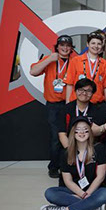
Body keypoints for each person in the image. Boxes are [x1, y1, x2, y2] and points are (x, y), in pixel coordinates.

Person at [41, 116, 106, 210]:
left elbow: (100, 177)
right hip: (73, 191)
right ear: (73, 133)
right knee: (50, 193)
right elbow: (68, 181)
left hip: (94, 189)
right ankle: (94, 206)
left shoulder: (99, 149)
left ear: (90, 132)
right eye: (78, 130)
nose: (81, 133)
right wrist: (82, 194)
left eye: (85, 130)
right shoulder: (66, 153)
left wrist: (87, 193)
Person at [30, 34, 77, 178]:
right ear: (57, 47)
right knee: (56, 137)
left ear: (71, 48)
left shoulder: (75, 61)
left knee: (72, 136)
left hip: (69, 103)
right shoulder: (49, 59)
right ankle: (54, 167)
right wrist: (50, 59)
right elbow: (33, 71)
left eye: (67, 46)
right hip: (53, 105)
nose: (64, 48)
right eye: (62, 45)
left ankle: (69, 166)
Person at [57, 79, 106, 150]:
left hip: (91, 148)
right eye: (81, 90)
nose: (84, 93)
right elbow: (62, 135)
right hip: (70, 147)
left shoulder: (98, 111)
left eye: (88, 91)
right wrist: (70, 152)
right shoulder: (65, 109)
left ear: (93, 93)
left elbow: (97, 134)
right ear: (75, 91)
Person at [64, 32, 106, 104]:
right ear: (87, 44)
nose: (96, 46)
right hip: (77, 102)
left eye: (99, 44)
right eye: (93, 43)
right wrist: (68, 103)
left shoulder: (105, 64)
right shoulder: (75, 61)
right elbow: (69, 83)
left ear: (102, 46)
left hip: (97, 104)